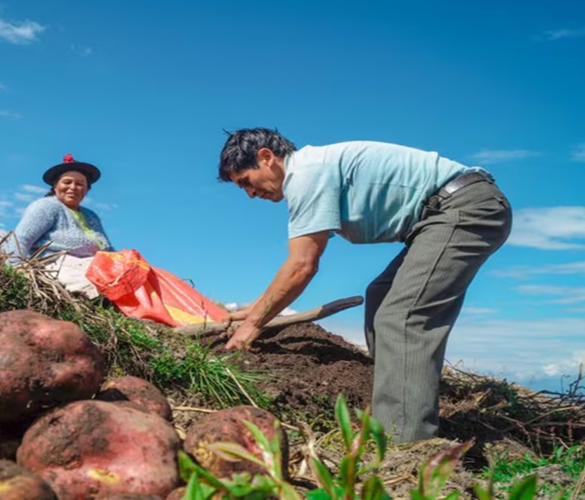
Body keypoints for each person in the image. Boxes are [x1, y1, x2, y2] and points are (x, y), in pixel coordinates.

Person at [217, 128, 512, 443]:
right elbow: (298, 262)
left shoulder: (306, 175)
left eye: (246, 182)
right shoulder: (313, 170)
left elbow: (302, 265)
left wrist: (252, 324)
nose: (249, 194)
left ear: (266, 157)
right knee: (381, 294)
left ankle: (406, 444)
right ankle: (397, 404)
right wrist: (254, 308)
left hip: (463, 208)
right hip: (444, 214)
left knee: (402, 317)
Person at [13, 153, 113, 299]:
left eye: (80, 184)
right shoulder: (46, 207)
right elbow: (21, 238)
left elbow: (108, 249)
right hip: (58, 264)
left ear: (86, 189)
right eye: (67, 182)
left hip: (95, 265)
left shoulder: (91, 216)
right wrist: (16, 268)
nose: (73, 187)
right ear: (55, 186)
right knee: (99, 285)